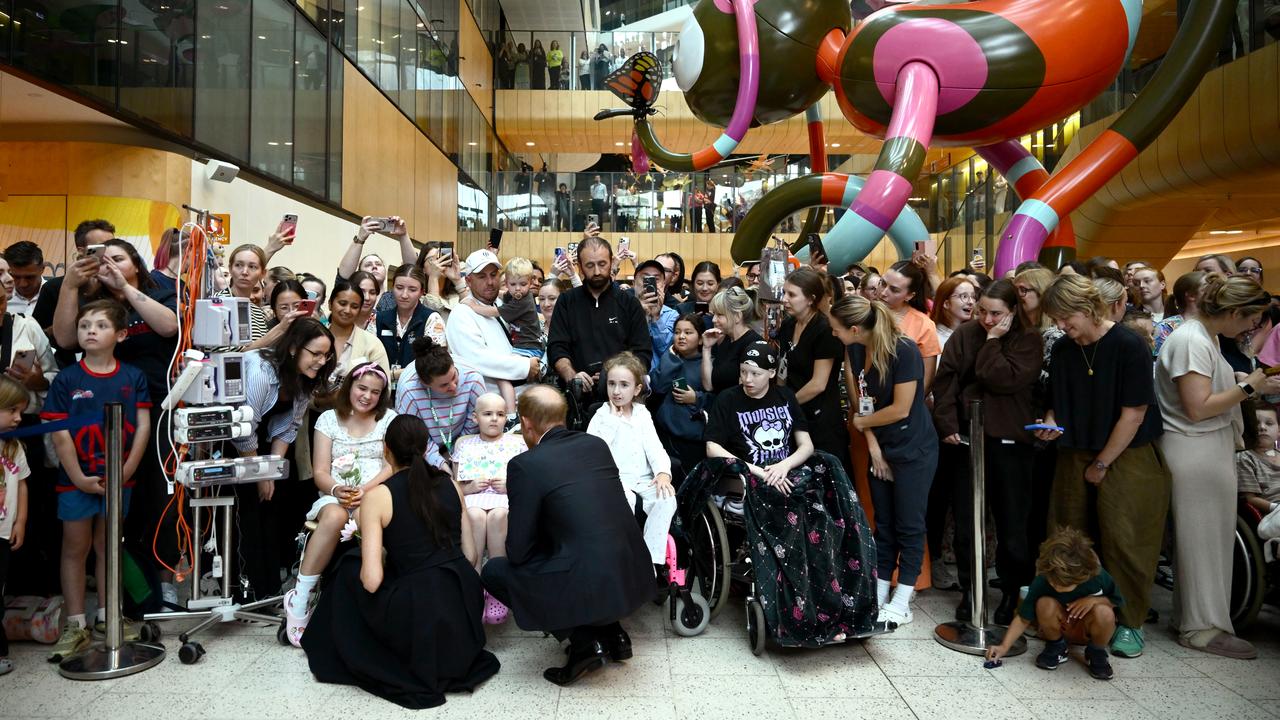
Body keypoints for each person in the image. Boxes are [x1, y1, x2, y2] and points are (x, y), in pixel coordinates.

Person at [302, 415, 500, 708]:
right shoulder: (451, 485)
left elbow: (372, 581)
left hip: (420, 610)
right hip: (461, 600)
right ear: (424, 448)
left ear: (386, 450)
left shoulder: (379, 496)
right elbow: (471, 556)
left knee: (348, 569)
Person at [1034, 274, 1170, 660]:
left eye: (1065, 318)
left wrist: (1102, 462)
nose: (1061, 327)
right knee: (1067, 536)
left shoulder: (1129, 344)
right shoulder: (1063, 350)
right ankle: (1061, 617)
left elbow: (1134, 413)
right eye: (1056, 320)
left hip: (1127, 454)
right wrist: (1050, 423)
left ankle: (1129, 621)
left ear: (1088, 308)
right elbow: (1056, 400)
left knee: (1126, 539)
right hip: (1073, 450)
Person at [481, 386, 652, 686]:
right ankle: (613, 632)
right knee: (580, 550)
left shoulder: (524, 465)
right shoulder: (595, 444)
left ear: (526, 423)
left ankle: (584, 641)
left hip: (588, 575)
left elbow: (519, 550)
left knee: (495, 570)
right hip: (631, 572)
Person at [1155, 274, 1275, 659]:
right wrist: (1251, 385)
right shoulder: (1191, 340)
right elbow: (1197, 407)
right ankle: (1202, 628)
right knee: (1202, 544)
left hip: (1206, 448)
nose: (1251, 329)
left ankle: (1196, 619)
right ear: (1234, 312)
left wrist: (1239, 381)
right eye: (1250, 320)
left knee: (1208, 542)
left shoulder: (1202, 337)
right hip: (1195, 450)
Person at [42, 300, 151, 661]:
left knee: (109, 545)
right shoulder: (67, 379)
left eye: (101, 325)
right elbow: (59, 434)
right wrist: (78, 477)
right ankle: (75, 624)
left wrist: (127, 470)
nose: (90, 330)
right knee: (76, 548)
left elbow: (143, 427)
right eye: (85, 325)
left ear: (120, 335)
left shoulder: (132, 376)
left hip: (121, 479)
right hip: (76, 480)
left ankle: (108, 617)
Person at [933, 280, 1043, 623]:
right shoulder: (965, 334)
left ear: (1013, 312)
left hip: (1011, 442)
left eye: (996, 313)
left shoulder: (1028, 339)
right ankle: (971, 590)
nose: (987, 319)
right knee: (967, 523)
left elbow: (1003, 378)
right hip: (967, 439)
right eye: (982, 311)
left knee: (1013, 524)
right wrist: (948, 423)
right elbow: (946, 381)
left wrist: (994, 343)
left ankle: (1012, 592)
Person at [831, 294, 937, 625]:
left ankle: (902, 599)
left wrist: (863, 424)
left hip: (912, 447)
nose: (834, 335)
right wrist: (874, 448)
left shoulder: (904, 350)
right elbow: (864, 403)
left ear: (853, 327)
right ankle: (878, 592)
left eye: (836, 329)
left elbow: (901, 408)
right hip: (882, 446)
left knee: (909, 524)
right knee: (884, 523)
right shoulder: (856, 348)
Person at [283, 362, 395, 646]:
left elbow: (390, 467)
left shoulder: (389, 419)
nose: (367, 396)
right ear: (350, 388)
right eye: (362, 388)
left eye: (375, 392)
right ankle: (301, 597)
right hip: (336, 492)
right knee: (332, 516)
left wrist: (364, 490)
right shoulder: (329, 420)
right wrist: (337, 488)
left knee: (366, 518)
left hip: (374, 493)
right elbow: (320, 470)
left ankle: (368, 604)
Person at [230, 319, 335, 602]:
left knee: (270, 511)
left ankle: (269, 592)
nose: (321, 361)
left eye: (326, 355)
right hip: (236, 444)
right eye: (315, 353)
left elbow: (288, 428)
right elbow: (243, 430)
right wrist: (261, 474)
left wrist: (272, 472)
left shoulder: (304, 379)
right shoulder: (261, 371)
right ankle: (247, 594)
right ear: (293, 348)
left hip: (264, 447)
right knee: (247, 514)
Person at [985, 528, 1123, 681]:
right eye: (1053, 582)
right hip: (1059, 627)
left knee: (1105, 612)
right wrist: (1004, 646)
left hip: (1088, 629)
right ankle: (1057, 646)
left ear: (1082, 576)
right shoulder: (1042, 580)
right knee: (1044, 603)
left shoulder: (1098, 576)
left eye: (1063, 585)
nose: (1056, 587)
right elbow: (1023, 618)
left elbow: (1117, 601)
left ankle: (1097, 652)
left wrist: (1095, 600)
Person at [588, 352, 676, 570]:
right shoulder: (601, 416)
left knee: (667, 498)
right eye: (612, 384)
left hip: (643, 478)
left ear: (636, 389)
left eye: (624, 385)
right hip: (614, 480)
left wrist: (663, 473)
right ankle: (623, 556)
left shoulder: (642, 413)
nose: (616, 391)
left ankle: (650, 559)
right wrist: (613, 423)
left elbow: (655, 448)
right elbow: (593, 452)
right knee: (622, 501)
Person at [452, 393, 527, 624]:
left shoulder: (517, 443)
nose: (494, 419)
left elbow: (528, 483)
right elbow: (457, 486)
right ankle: (473, 584)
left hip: (503, 501)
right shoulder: (464, 443)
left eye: (500, 414)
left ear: (507, 418)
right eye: (487, 414)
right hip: (474, 499)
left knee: (499, 516)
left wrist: (510, 486)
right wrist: (471, 486)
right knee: (473, 515)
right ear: (475, 418)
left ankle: (496, 587)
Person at [548, 238, 651, 400]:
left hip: (621, 397)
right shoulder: (566, 301)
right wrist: (572, 376)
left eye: (602, 264)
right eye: (590, 265)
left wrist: (614, 376)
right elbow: (556, 347)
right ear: (580, 268)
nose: (597, 271)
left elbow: (643, 353)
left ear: (611, 263)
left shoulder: (629, 303)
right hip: (576, 398)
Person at [778, 268, 849, 467]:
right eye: (784, 292)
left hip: (820, 419)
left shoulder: (825, 329)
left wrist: (784, 405)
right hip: (793, 415)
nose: (784, 299)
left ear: (810, 299)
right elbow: (783, 366)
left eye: (791, 294)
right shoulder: (788, 325)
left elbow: (818, 384)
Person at [446, 250, 541, 394]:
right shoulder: (462, 313)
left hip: (525, 394)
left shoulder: (504, 302)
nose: (490, 282)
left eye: (493, 274)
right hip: (492, 403)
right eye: (482, 276)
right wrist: (525, 366)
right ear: (468, 281)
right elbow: (476, 359)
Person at [466, 257, 543, 423]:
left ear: (530, 283)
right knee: (503, 376)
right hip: (523, 348)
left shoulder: (523, 301)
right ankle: (511, 414)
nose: (518, 289)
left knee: (503, 376)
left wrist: (474, 307)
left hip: (528, 347)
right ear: (506, 283)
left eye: (523, 284)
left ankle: (511, 415)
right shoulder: (513, 296)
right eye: (513, 285)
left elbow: (496, 312)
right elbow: (504, 295)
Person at [396, 338, 485, 472]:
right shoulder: (409, 390)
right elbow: (415, 437)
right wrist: (440, 464)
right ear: (425, 383)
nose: (454, 387)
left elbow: (474, 422)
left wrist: (456, 453)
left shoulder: (473, 378)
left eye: (454, 376)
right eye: (444, 385)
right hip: (423, 448)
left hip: (463, 442)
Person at [32, 219, 114, 336]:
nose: (109, 251)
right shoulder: (53, 288)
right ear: (82, 251)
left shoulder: (116, 284)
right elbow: (37, 333)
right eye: (101, 247)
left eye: (114, 244)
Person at [651, 313, 710, 472]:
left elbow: (716, 397)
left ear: (699, 339)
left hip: (692, 440)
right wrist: (671, 358)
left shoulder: (707, 363)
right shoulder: (669, 357)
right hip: (665, 434)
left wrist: (696, 398)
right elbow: (658, 386)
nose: (681, 336)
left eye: (688, 332)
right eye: (677, 332)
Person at [0, 376, 31, 676]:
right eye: (11, 410)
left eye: (21, 411)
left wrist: (20, 521)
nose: (18, 418)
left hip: (3, 532)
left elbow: (21, 484)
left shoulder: (14, 447)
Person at [374, 265, 446, 384]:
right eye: (399, 287)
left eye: (412, 290)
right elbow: (369, 358)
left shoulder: (432, 319)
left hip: (418, 389)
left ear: (422, 292)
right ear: (392, 288)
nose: (404, 295)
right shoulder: (379, 318)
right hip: (382, 389)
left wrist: (391, 374)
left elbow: (434, 363)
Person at [881, 261, 942, 392]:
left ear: (909, 295)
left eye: (894, 290)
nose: (884, 292)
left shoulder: (923, 325)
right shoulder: (865, 314)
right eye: (882, 283)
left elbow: (926, 380)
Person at [323, 277, 389, 385]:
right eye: (342, 303)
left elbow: (383, 386)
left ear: (359, 310)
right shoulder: (314, 337)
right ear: (330, 304)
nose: (347, 310)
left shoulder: (372, 344)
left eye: (354, 306)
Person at [701, 286, 763, 393]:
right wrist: (706, 349)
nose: (714, 319)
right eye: (714, 314)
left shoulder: (754, 345)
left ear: (737, 316)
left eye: (720, 315)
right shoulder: (727, 339)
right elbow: (709, 386)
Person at [634, 259, 678, 373]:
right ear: (634, 283)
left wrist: (656, 317)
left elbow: (667, 352)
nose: (650, 283)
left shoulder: (672, 315)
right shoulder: (623, 312)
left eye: (656, 279)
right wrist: (639, 313)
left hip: (659, 380)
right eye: (645, 278)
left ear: (663, 285)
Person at [1154, 271, 1206, 354]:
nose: (1215, 293)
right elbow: (1155, 363)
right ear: (1191, 295)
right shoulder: (1165, 327)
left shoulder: (1212, 323)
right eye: (1207, 289)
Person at [930, 276, 977, 349]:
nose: (971, 302)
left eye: (973, 297)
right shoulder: (933, 338)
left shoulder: (976, 334)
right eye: (964, 296)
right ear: (946, 303)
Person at [3, 241, 46, 316]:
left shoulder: (57, 295)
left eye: (29, 277)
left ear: (42, 269)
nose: (23, 284)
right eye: (15, 277)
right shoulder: (2, 298)